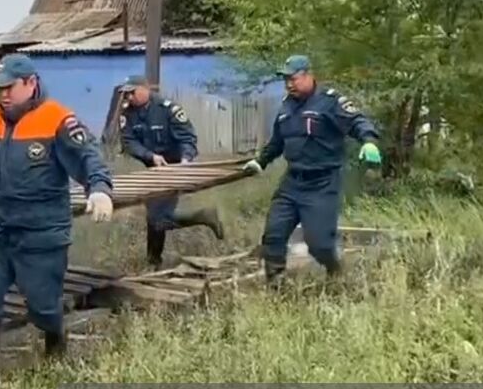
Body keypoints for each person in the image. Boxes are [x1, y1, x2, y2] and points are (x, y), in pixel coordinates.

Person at [0, 54, 114, 382]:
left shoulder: (58, 120)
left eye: (10, 87)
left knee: (42, 307)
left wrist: (98, 189)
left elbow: (88, 158)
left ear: (30, 83)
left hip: (41, 233)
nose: (3, 94)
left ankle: (55, 338)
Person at [243, 55, 381, 282]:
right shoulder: (287, 106)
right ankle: (276, 287)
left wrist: (369, 141)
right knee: (273, 236)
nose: (289, 84)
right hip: (292, 182)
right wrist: (260, 161)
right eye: (285, 79)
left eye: (293, 78)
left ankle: (337, 275)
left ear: (308, 75)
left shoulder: (329, 101)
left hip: (322, 183)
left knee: (319, 244)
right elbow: (278, 142)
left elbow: (357, 121)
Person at [117, 75, 224, 267]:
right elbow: (129, 142)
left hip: (174, 168)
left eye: (132, 92)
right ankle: (154, 260)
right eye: (126, 93)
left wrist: (186, 160)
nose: (128, 97)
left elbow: (187, 137)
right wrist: (150, 156)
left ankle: (203, 216)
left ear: (145, 89)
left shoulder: (167, 109)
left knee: (157, 217)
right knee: (154, 217)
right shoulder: (128, 114)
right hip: (153, 168)